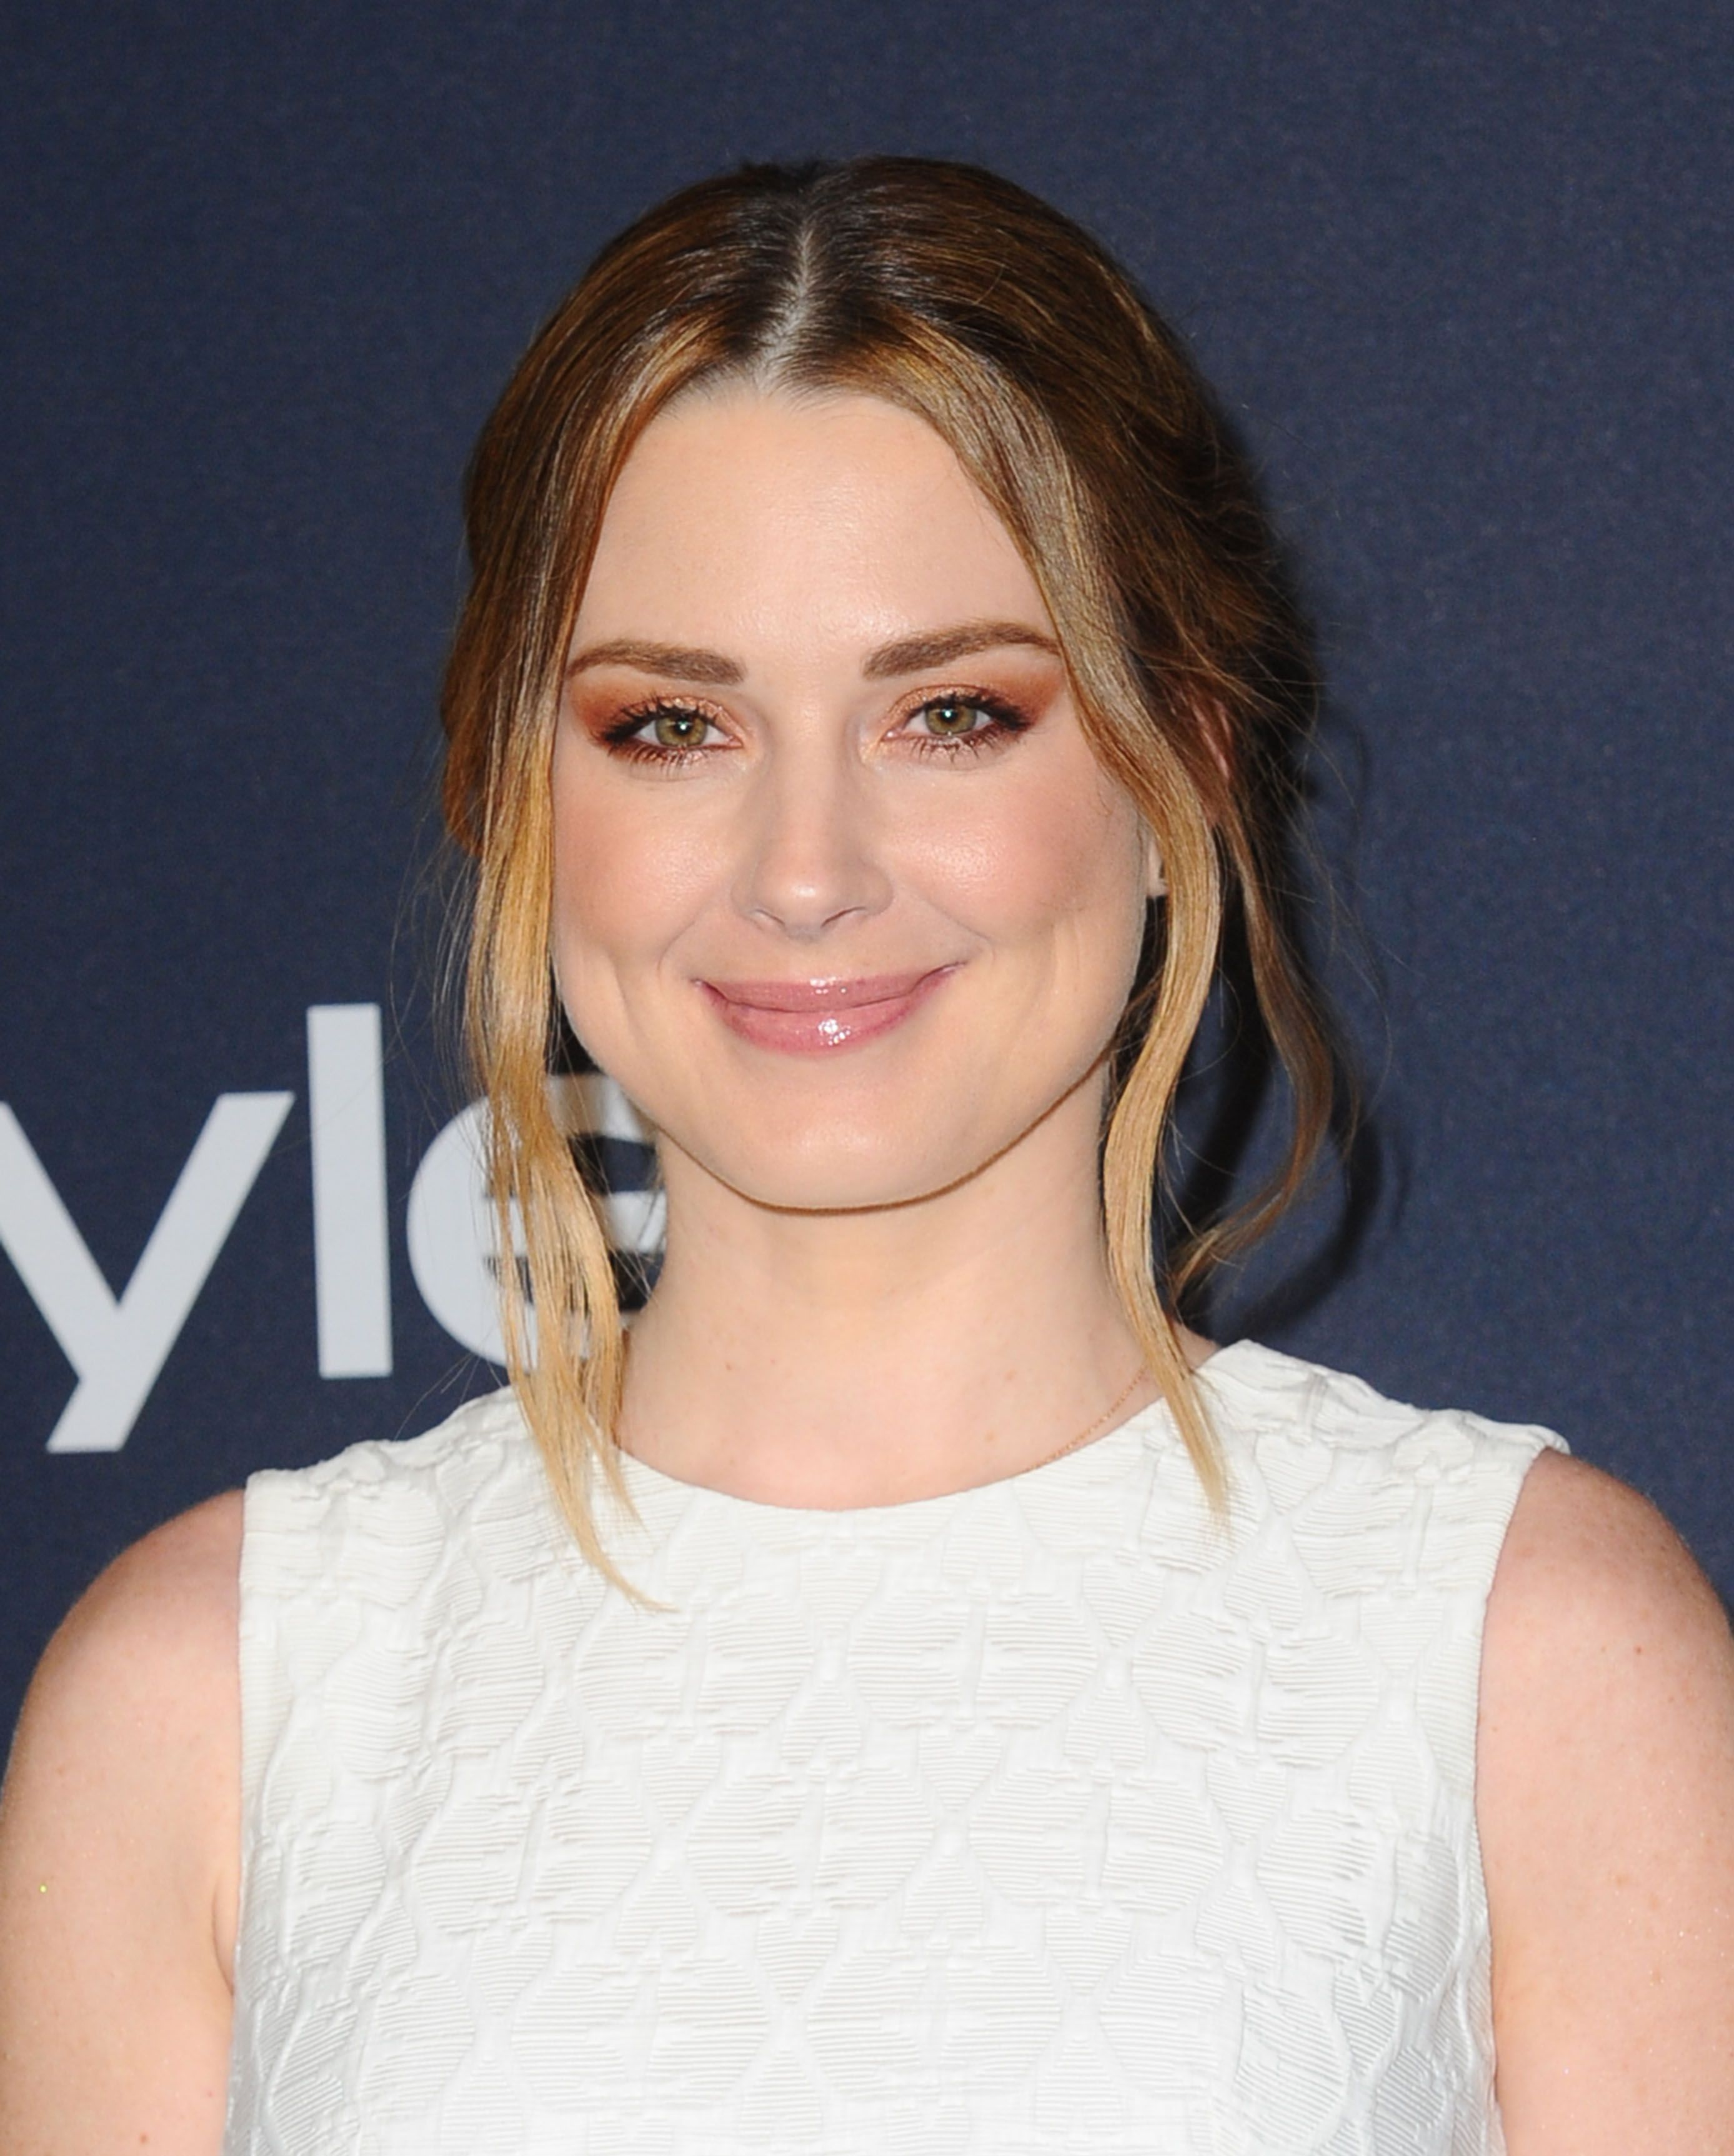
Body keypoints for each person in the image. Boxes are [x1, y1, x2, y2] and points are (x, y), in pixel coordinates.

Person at [1, 156, 1731, 2155]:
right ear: (513, 790)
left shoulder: (1528, 1651)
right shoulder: (206, 1702)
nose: (807, 872)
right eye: (672, 726)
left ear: (1182, 757)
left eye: (953, 714)